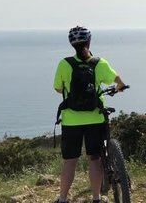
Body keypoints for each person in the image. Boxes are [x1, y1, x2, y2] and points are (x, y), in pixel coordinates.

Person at [53, 26, 127, 203]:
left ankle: (63, 199)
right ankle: (96, 198)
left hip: (71, 121)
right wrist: (120, 86)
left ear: (72, 44)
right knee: (94, 159)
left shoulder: (64, 64)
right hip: (95, 118)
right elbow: (117, 79)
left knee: (70, 161)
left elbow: (58, 88)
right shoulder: (99, 63)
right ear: (89, 41)